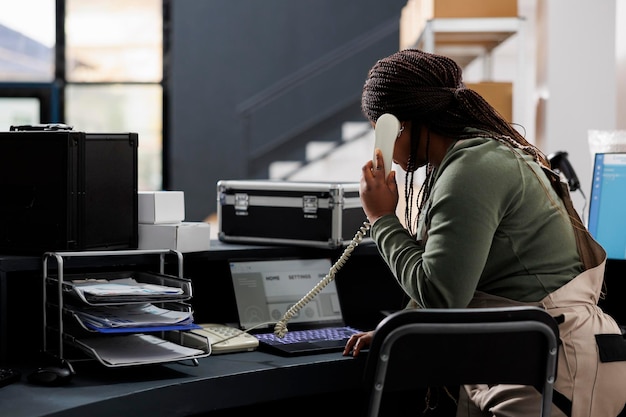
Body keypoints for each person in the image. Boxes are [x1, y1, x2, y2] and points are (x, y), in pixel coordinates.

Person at [342, 48, 626, 417]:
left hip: (559, 373)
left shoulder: (471, 171)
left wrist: (381, 218)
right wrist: (401, 329)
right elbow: (449, 268)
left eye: (377, 129)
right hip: (532, 362)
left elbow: (441, 296)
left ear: (397, 125)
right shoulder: (471, 159)